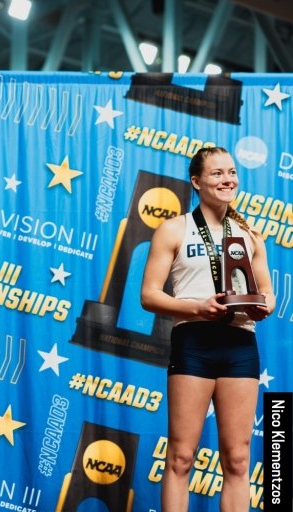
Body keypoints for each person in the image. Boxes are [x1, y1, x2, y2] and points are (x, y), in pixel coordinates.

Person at [141, 146, 275, 512]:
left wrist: (262, 305)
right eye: (216, 174)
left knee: (237, 459)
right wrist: (196, 307)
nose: (227, 179)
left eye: (231, 172)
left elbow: (268, 294)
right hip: (194, 343)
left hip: (240, 345)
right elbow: (149, 295)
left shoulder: (251, 235)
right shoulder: (174, 228)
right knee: (181, 457)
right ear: (196, 182)